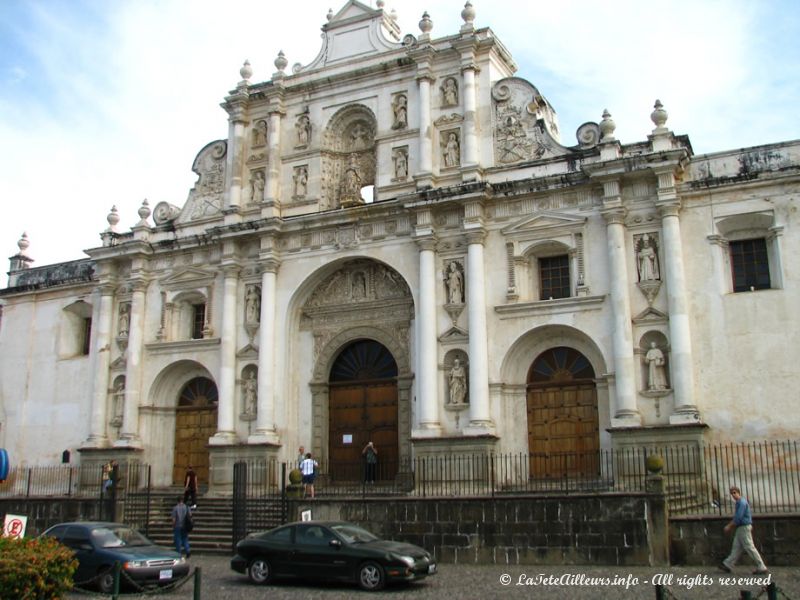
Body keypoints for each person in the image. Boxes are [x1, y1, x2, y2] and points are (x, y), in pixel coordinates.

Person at [720, 486, 768, 574]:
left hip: (744, 527)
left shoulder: (741, 503)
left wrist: (729, 526)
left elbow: (738, 517)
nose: (733, 495)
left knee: (749, 547)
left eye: (734, 493)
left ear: (738, 493)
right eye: (732, 494)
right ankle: (727, 564)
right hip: (741, 527)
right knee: (736, 547)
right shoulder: (740, 502)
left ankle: (761, 566)